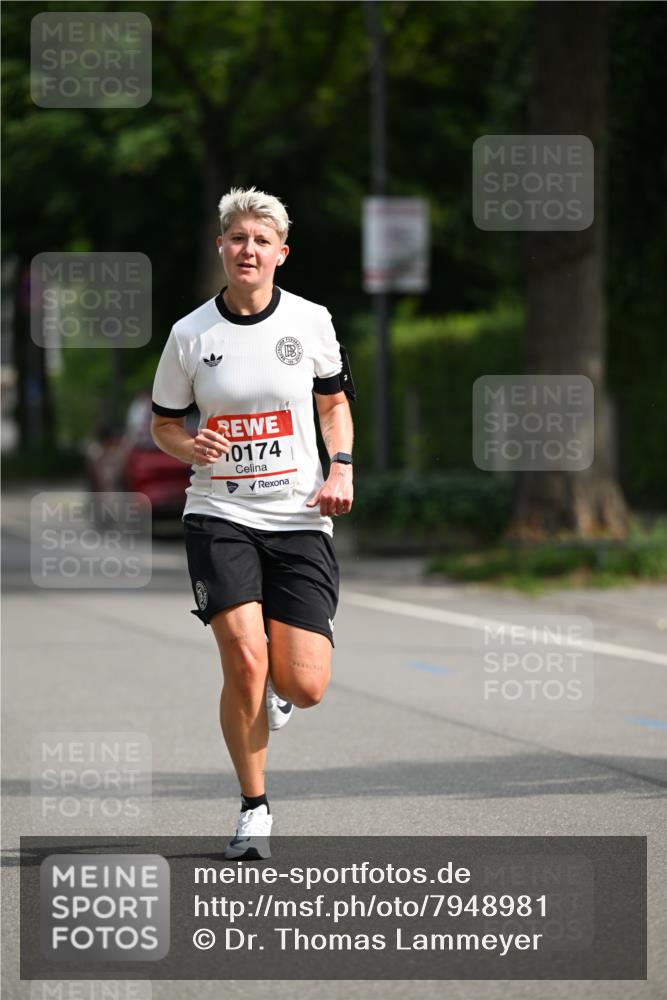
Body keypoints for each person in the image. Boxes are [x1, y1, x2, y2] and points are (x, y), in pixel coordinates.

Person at [150, 187, 355, 859]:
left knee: (306, 685)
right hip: (220, 512)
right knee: (243, 660)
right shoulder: (189, 335)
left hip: (298, 516)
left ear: (280, 254)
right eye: (237, 238)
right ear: (221, 248)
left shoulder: (310, 321)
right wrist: (189, 447)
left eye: (261, 241)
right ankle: (253, 808)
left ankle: (280, 686)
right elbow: (163, 424)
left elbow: (333, 405)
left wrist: (341, 465)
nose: (248, 249)